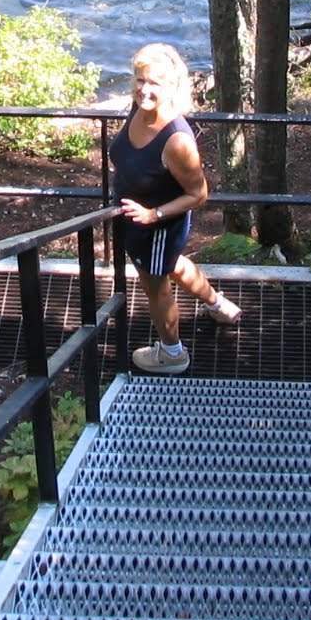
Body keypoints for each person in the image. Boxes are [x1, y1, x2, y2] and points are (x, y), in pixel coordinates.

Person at [109, 43, 241, 375]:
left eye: (155, 82)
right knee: (175, 266)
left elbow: (199, 194)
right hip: (135, 219)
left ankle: (172, 354)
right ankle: (220, 306)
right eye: (140, 80)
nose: (145, 89)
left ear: (171, 86)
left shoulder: (177, 140)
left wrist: (153, 215)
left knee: (156, 286)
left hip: (155, 227)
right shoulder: (137, 109)